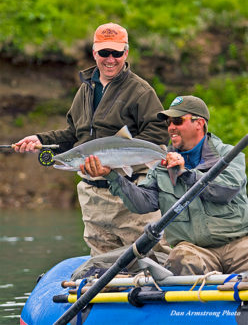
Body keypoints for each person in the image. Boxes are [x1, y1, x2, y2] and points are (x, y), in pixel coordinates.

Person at [14, 22, 170, 257]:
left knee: (151, 259)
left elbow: (158, 132)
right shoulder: (85, 90)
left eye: (116, 53)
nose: (110, 59)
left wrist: (123, 151)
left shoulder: (141, 91)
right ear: (94, 52)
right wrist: (39, 139)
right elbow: (73, 134)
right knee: (101, 265)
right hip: (92, 198)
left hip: (132, 195)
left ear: (126, 53)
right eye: (104, 53)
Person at [81, 95, 248, 275]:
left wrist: (185, 174)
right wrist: (112, 176)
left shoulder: (230, 154)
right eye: (168, 123)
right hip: (194, 250)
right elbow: (142, 204)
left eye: (177, 121)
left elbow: (225, 191)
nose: (171, 128)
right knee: (180, 259)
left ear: (199, 123)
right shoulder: (161, 165)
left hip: (238, 245)